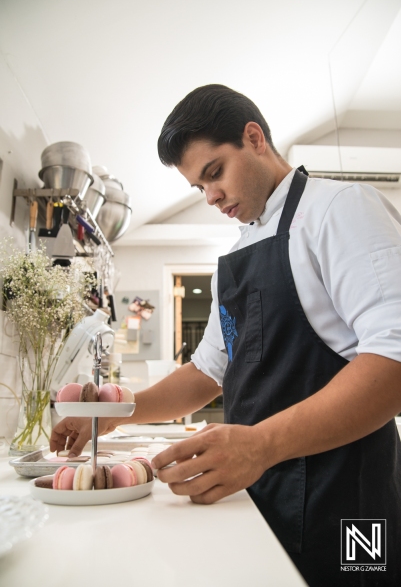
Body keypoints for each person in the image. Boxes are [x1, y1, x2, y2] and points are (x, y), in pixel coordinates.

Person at [51, 85, 401, 586]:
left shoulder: (341, 210)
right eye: (198, 186)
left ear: (254, 138)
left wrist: (259, 445)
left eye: (214, 172)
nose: (210, 195)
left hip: (349, 498)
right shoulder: (239, 253)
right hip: (266, 487)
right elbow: (208, 371)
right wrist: (110, 416)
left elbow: (394, 362)